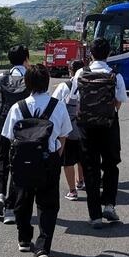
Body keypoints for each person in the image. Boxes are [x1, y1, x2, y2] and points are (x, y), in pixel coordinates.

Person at [1, 64, 71, 257]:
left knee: (23, 200)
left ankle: (24, 238)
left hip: (23, 162)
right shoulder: (58, 106)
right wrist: (55, 157)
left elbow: (9, 137)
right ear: (47, 82)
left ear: (27, 83)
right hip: (49, 159)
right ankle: (42, 247)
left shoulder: (19, 107)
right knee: (48, 205)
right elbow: (64, 135)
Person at [74, 38, 127, 228]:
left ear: (91, 54)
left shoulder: (81, 72)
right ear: (109, 54)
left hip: (86, 127)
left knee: (90, 168)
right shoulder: (115, 75)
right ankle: (109, 205)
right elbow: (119, 101)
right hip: (109, 125)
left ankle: (95, 215)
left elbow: (75, 97)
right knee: (111, 165)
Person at [0, 44, 31, 224]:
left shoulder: (2, 77)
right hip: (26, 127)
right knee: (21, 163)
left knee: (3, 159)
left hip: (4, 124)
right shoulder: (31, 77)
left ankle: (0, 194)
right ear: (26, 58)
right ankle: (12, 207)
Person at [51, 59, 85, 201]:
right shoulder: (88, 85)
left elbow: (53, 103)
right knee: (82, 158)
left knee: (68, 161)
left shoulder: (64, 86)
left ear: (70, 71)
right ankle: (80, 181)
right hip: (84, 129)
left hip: (68, 130)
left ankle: (72, 191)